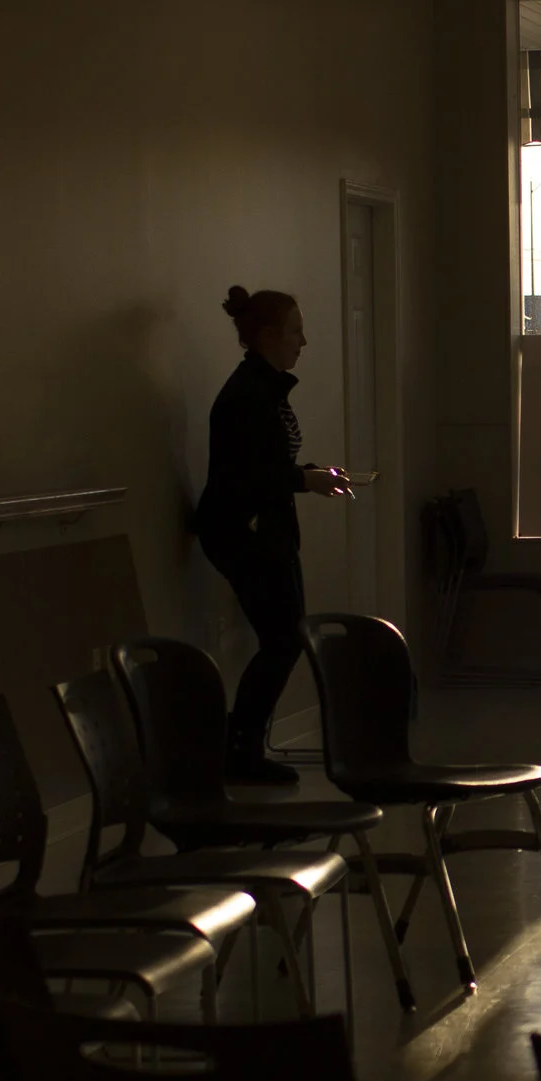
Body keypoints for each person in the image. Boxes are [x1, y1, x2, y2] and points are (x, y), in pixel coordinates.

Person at [192, 286, 349, 785]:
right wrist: (305, 478)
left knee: (283, 637)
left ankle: (237, 743)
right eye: (295, 330)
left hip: (264, 530)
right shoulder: (247, 395)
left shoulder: (265, 389)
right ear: (267, 336)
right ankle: (239, 748)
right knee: (282, 640)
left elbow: (265, 465)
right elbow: (246, 477)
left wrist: (306, 474)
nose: (304, 341)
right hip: (245, 532)